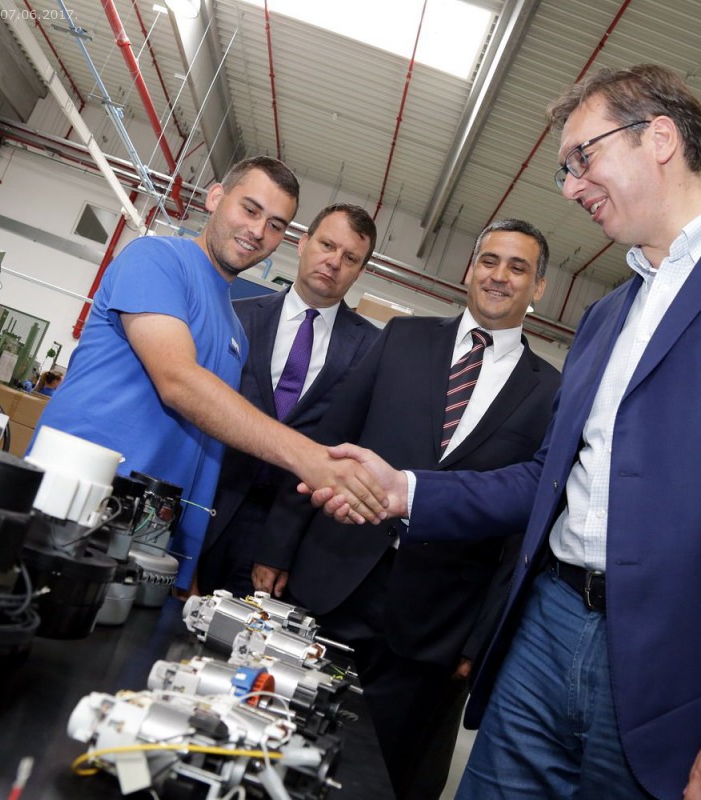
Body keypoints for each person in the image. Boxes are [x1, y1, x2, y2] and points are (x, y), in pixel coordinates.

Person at [309, 64, 701, 799]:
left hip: (692, 667)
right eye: (565, 170)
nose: (570, 187)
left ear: (659, 138)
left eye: (581, 158)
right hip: (547, 627)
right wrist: (407, 490)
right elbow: (549, 480)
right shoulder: (603, 318)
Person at [271, 219, 560, 799]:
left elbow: (525, 528)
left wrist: (480, 639)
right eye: (489, 261)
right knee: (281, 735)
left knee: (374, 772)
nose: (499, 276)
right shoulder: (403, 338)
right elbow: (329, 441)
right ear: (469, 268)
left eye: (518, 267)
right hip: (336, 575)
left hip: (434, 622)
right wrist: (277, 546)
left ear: (539, 288)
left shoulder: (551, 392)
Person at [34, 156, 387, 594]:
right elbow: (178, 381)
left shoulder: (233, 328)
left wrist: (187, 560)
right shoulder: (156, 259)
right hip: (76, 499)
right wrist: (308, 458)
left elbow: (209, 447)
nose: (258, 231)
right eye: (250, 209)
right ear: (216, 197)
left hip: (147, 530)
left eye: (275, 225)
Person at [194, 203, 381, 597]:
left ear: (360, 271)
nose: (334, 262)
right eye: (327, 245)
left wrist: (280, 548)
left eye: (350, 258)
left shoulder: (374, 350)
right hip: (206, 508)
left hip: (281, 543)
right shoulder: (236, 317)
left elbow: (350, 452)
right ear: (303, 243)